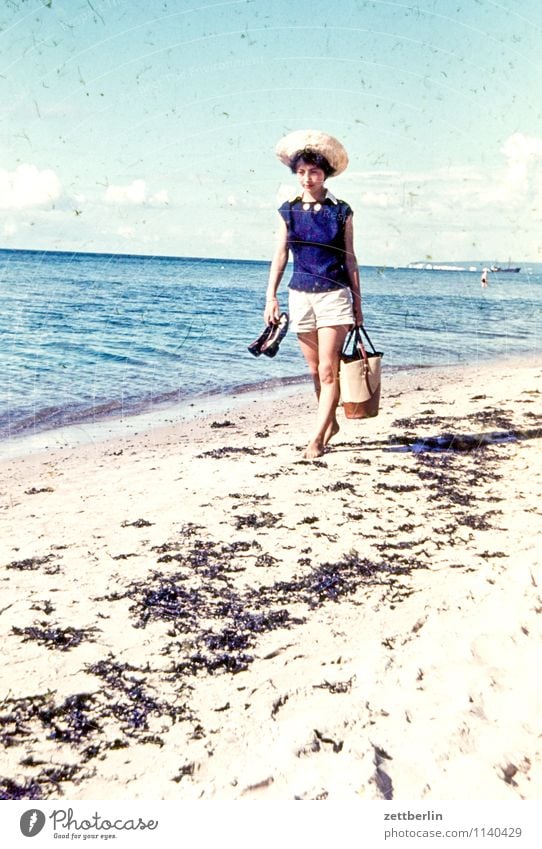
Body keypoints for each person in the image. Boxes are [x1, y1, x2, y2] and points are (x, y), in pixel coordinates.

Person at [264, 129, 363, 459]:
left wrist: (358, 305)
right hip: (300, 296)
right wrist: (271, 297)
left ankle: (318, 438)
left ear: (326, 174)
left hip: (334, 296)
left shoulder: (341, 211)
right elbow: (280, 255)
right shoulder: (288, 211)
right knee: (313, 371)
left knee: (327, 370)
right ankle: (329, 422)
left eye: (314, 172)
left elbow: (350, 257)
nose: (307, 178)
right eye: (302, 172)